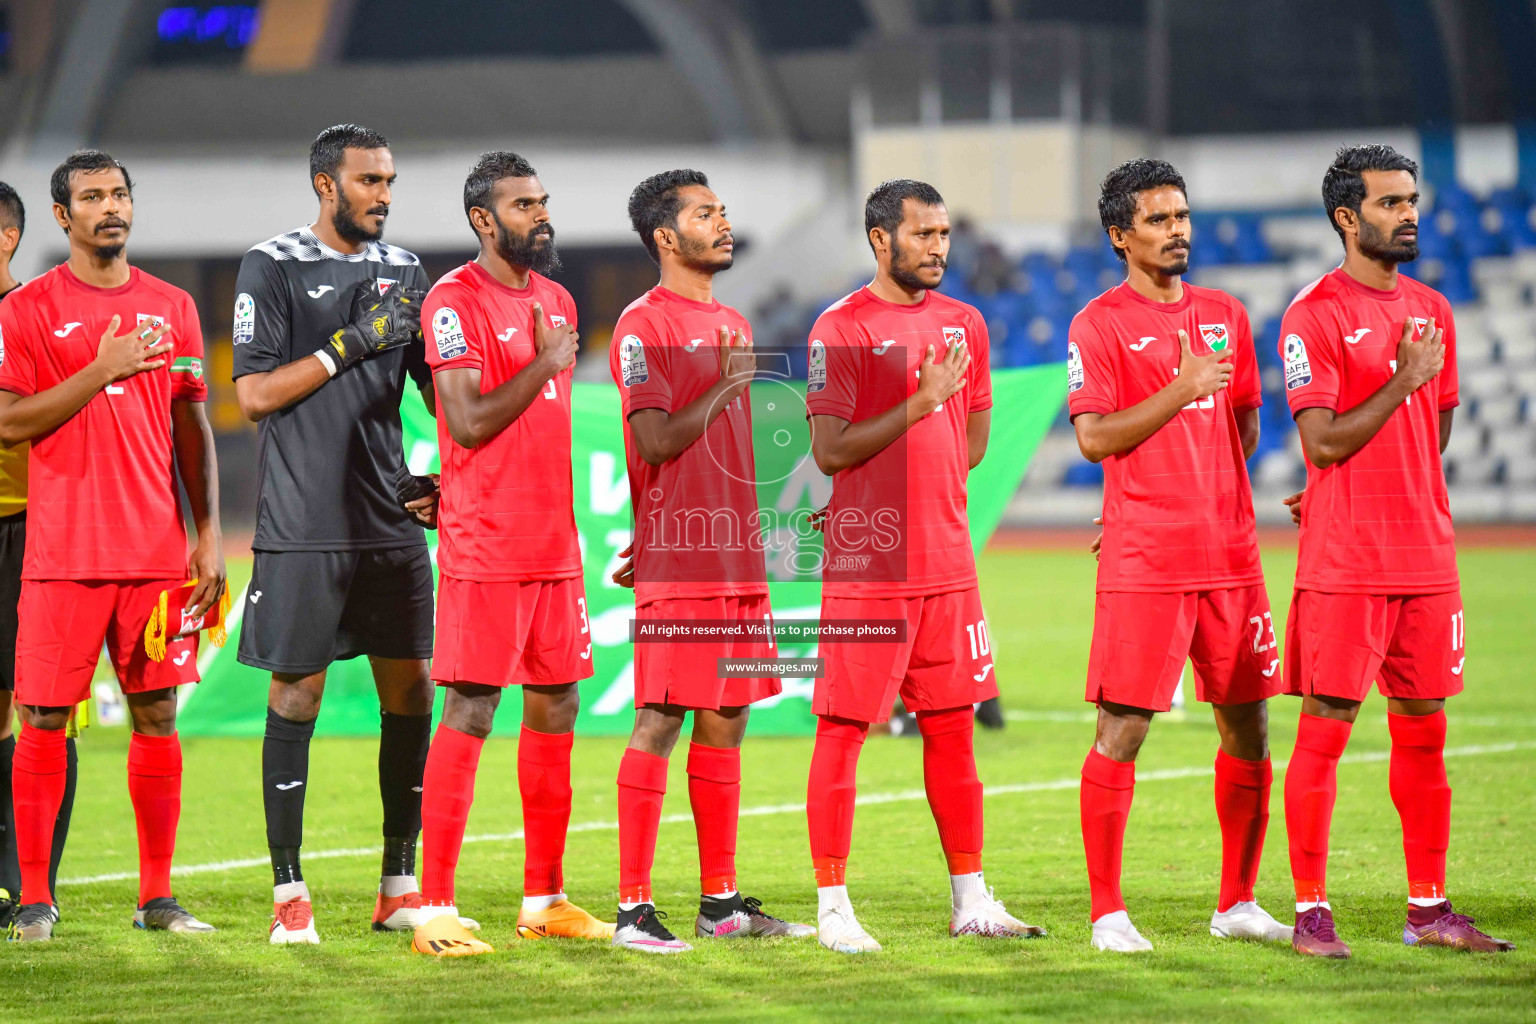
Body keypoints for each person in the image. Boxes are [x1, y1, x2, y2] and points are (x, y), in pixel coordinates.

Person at [1279, 144, 1512, 957]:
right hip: (1346, 563)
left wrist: (1408, 400)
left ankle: (1428, 910)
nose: (1408, 213)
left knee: (1425, 732)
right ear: (1347, 217)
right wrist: (1404, 382)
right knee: (1326, 731)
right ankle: (1312, 915)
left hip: (1426, 558)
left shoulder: (1434, 308)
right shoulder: (1313, 313)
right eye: (1389, 203)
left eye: (1411, 199)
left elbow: (1432, 432)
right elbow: (1325, 441)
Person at [803, 178, 1041, 954]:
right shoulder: (838, 329)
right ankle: (834, 908)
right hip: (871, 566)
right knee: (844, 730)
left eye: (944, 234)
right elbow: (830, 450)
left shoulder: (964, 322)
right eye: (923, 235)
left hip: (947, 564)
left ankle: (971, 898)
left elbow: (969, 447)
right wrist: (917, 400)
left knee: (953, 731)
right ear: (881, 239)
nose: (940, 248)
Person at [0, 150, 224, 941]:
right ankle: (34, 899)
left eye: (120, 193)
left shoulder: (174, 306)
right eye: (92, 197)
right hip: (62, 554)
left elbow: (191, 424)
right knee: (43, 719)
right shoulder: (26, 311)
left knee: (158, 713)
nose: (110, 207)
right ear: (62, 218)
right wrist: (100, 370)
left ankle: (157, 898)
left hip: (157, 556)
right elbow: (9, 421)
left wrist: (206, 534)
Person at [1067, 158, 1290, 953]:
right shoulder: (1098, 324)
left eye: (1184, 216)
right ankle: (1106, 914)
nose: (1179, 231)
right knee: (1122, 729)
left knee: (1250, 731)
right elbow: (1093, 438)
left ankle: (1236, 902)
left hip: (1232, 557)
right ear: (1121, 235)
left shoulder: (1227, 311)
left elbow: (1245, 426)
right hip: (1148, 561)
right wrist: (1184, 388)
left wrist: (1207, 488)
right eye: (1159, 220)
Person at [231, 124, 439, 945]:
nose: (383, 195)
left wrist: (445, 475)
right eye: (368, 182)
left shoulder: (407, 272)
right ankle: (289, 893)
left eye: (388, 180)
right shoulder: (272, 265)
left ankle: (399, 883)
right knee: (297, 696)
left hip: (388, 520)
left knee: (413, 693)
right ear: (326, 185)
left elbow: (437, 390)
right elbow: (253, 397)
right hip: (302, 523)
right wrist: (350, 345)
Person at [409, 151, 611, 957]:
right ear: (483, 221)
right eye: (524, 204)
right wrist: (547, 362)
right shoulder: (452, 301)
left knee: (557, 703)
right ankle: (434, 909)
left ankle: (545, 898)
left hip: (553, 545)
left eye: (544, 200)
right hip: (484, 544)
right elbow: (467, 421)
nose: (542, 214)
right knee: (469, 709)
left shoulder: (557, 298)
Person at [606, 169, 812, 954]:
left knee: (727, 717)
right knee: (659, 719)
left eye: (723, 210)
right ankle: (632, 910)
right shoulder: (643, 326)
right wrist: (727, 387)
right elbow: (655, 439)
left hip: (732, 558)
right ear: (667, 237)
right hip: (687, 571)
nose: (723, 223)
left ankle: (720, 904)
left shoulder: (729, 318)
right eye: (704, 214)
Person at [0, 181, 80, 932]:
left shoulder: (35, 320)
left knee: (43, 711)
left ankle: (34, 889)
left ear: (7, 238)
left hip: (31, 530)